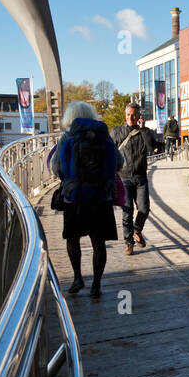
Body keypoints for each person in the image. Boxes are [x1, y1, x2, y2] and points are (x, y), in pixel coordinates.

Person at [50, 101, 120, 299]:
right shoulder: (104, 136)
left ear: (69, 117)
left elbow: (57, 168)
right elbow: (119, 162)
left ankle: (77, 278)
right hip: (100, 197)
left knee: (73, 239)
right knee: (99, 243)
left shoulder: (67, 137)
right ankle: (96, 284)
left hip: (75, 198)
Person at [110, 102, 156, 256]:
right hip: (123, 178)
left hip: (141, 177)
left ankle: (137, 230)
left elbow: (151, 148)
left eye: (134, 115)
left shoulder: (144, 132)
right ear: (125, 115)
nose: (131, 117)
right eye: (129, 114)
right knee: (127, 211)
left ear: (139, 116)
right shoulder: (117, 132)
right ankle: (129, 242)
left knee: (144, 209)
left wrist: (143, 129)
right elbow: (109, 151)